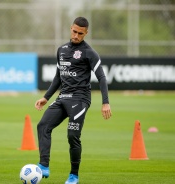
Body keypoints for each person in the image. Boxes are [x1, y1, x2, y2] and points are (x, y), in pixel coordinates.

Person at [35, 17, 112, 184]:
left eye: (80, 33)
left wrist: (105, 102)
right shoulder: (61, 50)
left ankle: (73, 176)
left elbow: (102, 78)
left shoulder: (90, 53)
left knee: (72, 136)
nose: (76, 35)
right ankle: (43, 166)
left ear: (86, 33)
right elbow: (58, 77)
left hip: (80, 99)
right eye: (74, 31)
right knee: (43, 125)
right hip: (63, 97)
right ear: (71, 28)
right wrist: (46, 97)